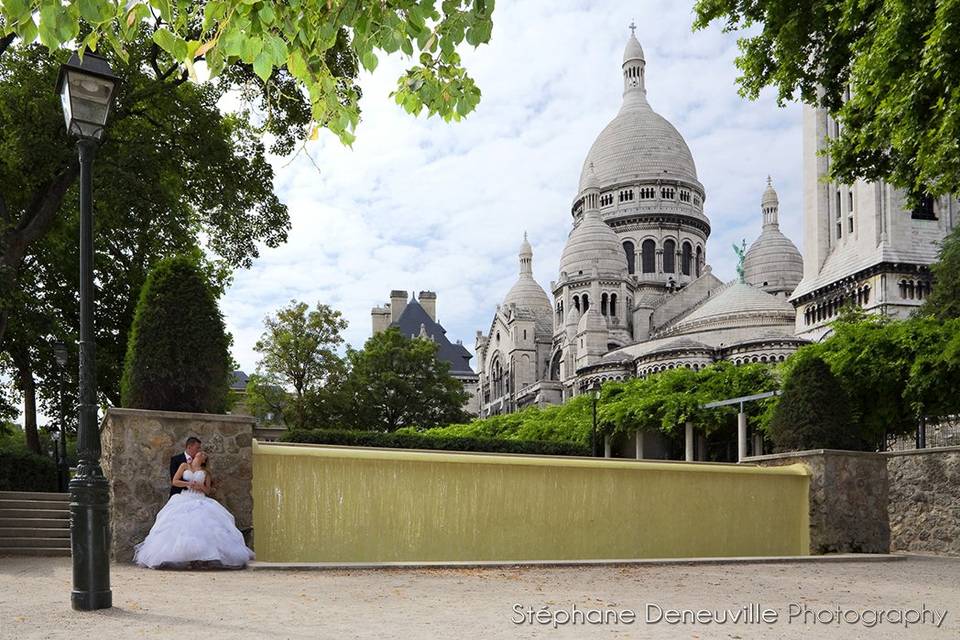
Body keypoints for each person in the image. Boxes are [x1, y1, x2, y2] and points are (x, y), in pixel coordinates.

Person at [134, 451, 254, 569]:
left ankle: (202, 558)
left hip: (199, 498)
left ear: (204, 460)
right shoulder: (184, 466)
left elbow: (207, 490)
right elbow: (175, 481)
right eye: (199, 453)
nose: (200, 454)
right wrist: (187, 484)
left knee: (203, 526)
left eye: (203, 455)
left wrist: (200, 486)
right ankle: (181, 557)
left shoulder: (206, 472)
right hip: (184, 497)